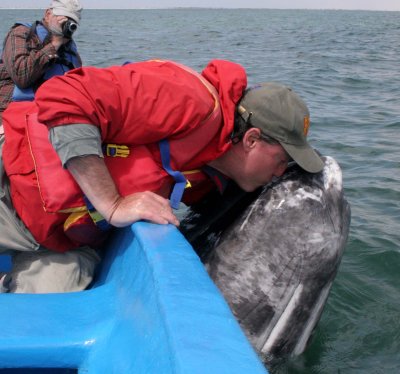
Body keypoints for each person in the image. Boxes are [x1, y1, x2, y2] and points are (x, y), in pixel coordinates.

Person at [0, 59, 324, 293]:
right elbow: (64, 97)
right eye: (282, 160)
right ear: (252, 139)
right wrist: (112, 204)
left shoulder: (215, 175)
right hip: (9, 187)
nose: (280, 173)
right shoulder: (186, 98)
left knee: (53, 320)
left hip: (58, 240)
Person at [0, 0, 83, 128]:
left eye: (72, 23)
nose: (66, 25)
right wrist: (54, 44)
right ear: (48, 14)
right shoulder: (22, 34)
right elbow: (21, 77)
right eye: (62, 19)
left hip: (53, 117)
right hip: (12, 113)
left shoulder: (70, 50)